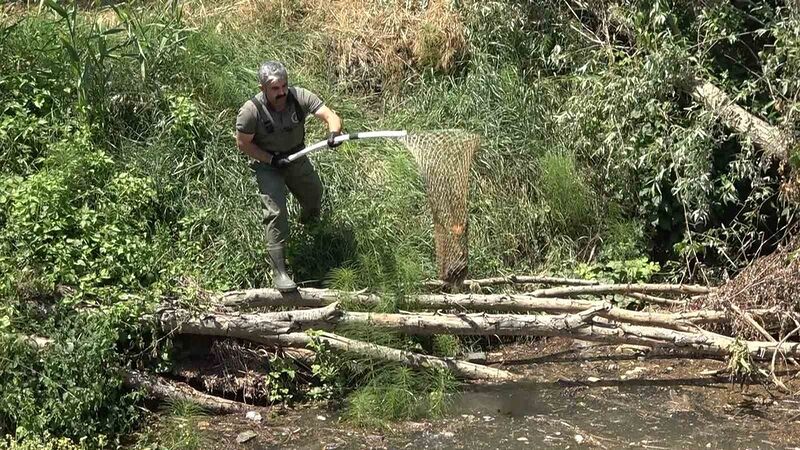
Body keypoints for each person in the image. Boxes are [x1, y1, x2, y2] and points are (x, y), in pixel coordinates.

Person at [235, 61, 343, 292]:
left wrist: (333, 133)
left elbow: (330, 116)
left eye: (284, 86)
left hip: (297, 157)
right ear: (263, 88)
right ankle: (279, 271)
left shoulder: (299, 96)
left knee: (314, 193)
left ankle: (311, 230)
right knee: (276, 213)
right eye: (275, 88)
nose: (282, 92)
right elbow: (243, 144)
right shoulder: (250, 111)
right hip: (268, 165)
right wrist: (271, 159)